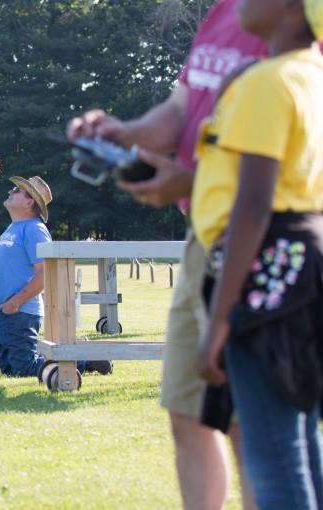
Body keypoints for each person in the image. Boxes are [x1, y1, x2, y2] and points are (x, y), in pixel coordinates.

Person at [66, 1, 266, 507]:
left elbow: (290, 162)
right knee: (189, 412)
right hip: (204, 236)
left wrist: (193, 182)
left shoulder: (293, 19)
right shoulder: (226, 10)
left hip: (266, 246)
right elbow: (181, 109)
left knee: (253, 425)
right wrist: (124, 133)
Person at [178, 2, 322, 506]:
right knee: (300, 449)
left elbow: (253, 205)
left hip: (265, 274)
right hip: (305, 265)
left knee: (274, 459)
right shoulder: (310, 74)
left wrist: (220, 321)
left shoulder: (268, 82)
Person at [0, 177, 112, 377]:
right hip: (2, 311)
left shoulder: (34, 229)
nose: (10, 192)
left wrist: (16, 302)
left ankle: (85, 359)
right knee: (9, 369)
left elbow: (44, 273)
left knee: (23, 369)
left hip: (19, 311)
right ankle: (80, 354)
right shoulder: (13, 228)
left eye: (17, 190)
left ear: (29, 203)